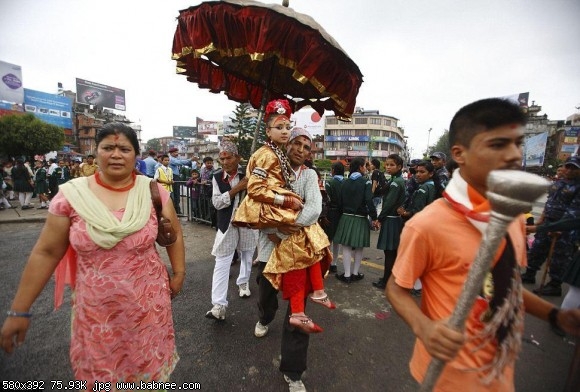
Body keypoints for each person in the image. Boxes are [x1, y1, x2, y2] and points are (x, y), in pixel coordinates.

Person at [386, 97, 580, 391]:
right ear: (459, 153)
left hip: (499, 372)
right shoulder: (427, 225)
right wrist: (424, 327)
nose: (514, 155)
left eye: (517, 143)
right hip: (447, 378)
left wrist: (555, 315)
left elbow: (508, 287)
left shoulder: (511, 216)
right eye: (498, 144)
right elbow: (396, 289)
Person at [0, 122, 185, 389]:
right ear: (96, 152)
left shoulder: (152, 191)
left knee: (147, 377)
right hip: (97, 314)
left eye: (124, 148)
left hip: (147, 308)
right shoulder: (71, 196)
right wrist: (20, 310)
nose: (116, 154)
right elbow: (46, 252)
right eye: (108, 147)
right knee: (102, 378)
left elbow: (175, 235)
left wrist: (179, 273)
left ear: (136, 154)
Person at [248, 119, 327, 392]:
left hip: (298, 254)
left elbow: (314, 209)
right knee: (266, 295)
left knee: (298, 309)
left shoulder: (309, 176)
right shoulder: (270, 168)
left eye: (306, 146)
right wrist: (271, 228)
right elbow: (257, 203)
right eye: (296, 142)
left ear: (309, 153)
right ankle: (264, 317)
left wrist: (281, 232)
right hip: (270, 251)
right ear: (287, 143)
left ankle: (293, 372)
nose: (300, 149)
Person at [204, 141, 258, 320]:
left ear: (238, 158)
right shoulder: (217, 176)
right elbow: (217, 202)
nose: (225, 162)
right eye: (222, 159)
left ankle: (243, 283)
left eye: (229, 158)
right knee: (222, 261)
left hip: (248, 224)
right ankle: (218, 305)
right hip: (226, 224)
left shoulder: (250, 174)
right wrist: (237, 189)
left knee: (247, 255)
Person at [522, 155, 580, 296]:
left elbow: (573, 214)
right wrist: (541, 219)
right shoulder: (558, 183)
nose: (570, 170)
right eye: (568, 166)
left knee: (559, 257)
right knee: (537, 249)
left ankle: (554, 285)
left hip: (564, 229)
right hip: (548, 222)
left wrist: (557, 228)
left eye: (574, 168)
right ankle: (529, 274)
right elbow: (550, 203)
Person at [334, 157, 379, 283]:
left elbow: (340, 202)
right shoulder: (366, 182)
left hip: (346, 217)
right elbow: (369, 201)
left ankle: (347, 275)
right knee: (359, 247)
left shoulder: (345, 182)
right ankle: (355, 273)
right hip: (360, 218)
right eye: (365, 166)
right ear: (360, 167)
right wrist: (374, 218)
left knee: (346, 247)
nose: (366, 168)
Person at [373, 154, 406, 289]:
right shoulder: (395, 180)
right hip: (394, 219)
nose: (388, 167)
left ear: (399, 167)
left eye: (392, 165)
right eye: (387, 164)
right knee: (391, 252)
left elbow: (389, 204)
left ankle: (387, 281)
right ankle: (388, 278)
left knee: (390, 252)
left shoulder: (396, 183)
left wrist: (379, 218)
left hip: (391, 220)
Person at [324, 161, 345, 273]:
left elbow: (327, 200)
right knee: (338, 240)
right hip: (342, 214)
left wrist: (324, 215)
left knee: (329, 239)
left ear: (333, 171)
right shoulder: (346, 183)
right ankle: (334, 263)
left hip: (331, 212)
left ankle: (327, 261)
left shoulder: (329, 183)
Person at [168, 147, 195, 215]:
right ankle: (176, 211)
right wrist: (190, 159)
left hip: (176, 176)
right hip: (173, 176)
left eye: (177, 152)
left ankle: (177, 210)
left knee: (177, 194)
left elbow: (182, 162)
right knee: (175, 194)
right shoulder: (171, 159)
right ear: (171, 153)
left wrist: (190, 161)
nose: (177, 154)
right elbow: (179, 162)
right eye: (175, 152)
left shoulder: (175, 158)